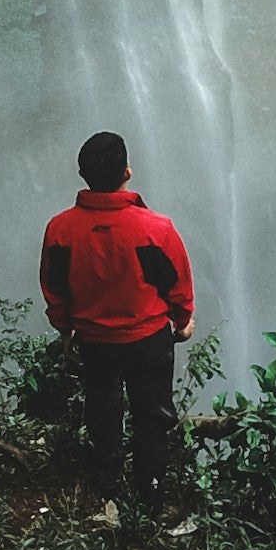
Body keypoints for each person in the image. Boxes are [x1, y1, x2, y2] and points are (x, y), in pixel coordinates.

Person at [39, 131, 194, 506]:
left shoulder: (60, 229)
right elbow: (176, 282)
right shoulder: (155, 228)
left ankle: (107, 486)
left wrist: (65, 330)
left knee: (102, 409)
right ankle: (151, 493)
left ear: (82, 174)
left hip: (95, 342)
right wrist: (183, 320)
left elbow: (54, 287)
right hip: (148, 340)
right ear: (128, 171)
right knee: (153, 415)